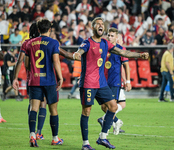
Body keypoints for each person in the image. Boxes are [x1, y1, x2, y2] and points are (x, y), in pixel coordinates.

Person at [73, 17, 149, 150]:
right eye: (98, 24)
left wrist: (139, 55)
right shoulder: (87, 43)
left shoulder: (105, 43)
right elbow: (80, 51)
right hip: (88, 83)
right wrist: (77, 54)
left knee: (113, 107)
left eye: (103, 24)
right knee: (86, 111)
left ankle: (102, 138)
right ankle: (85, 144)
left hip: (102, 83)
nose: (101, 26)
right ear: (93, 27)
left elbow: (122, 52)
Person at [25, 19, 63, 147]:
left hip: (35, 80)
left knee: (34, 108)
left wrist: (34, 72)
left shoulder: (30, 43)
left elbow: (26, 64)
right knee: (53, 110)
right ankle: (55, 138)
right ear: (50, 29)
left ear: (39, 30)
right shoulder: (53, 43)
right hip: (49, 81)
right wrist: (60, 77)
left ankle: (32, 135)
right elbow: (56, 62)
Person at [97, 29, 131, 135]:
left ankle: (105, 132)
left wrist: (128, 81)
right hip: (103, 81)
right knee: (103, 107)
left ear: (116, 37)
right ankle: (117, 121)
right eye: (108, 35)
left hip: (114, 82)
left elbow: (126, 66)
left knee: (112, 106)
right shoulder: (104, 48)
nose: (110, 37)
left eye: (112, 36)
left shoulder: (121, 49)